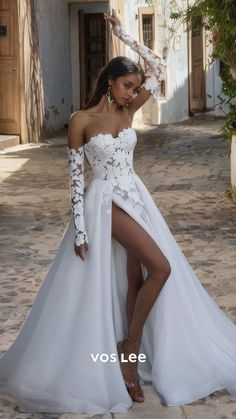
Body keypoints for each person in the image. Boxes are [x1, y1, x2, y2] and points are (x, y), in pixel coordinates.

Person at [0, 8, 236, 415]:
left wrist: (123, 34)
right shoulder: (80, 120)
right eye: (128, 85)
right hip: (105, 203)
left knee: (135, 275)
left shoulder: (128, 112)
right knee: (161, 268)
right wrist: (79, 229)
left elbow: (159, 66)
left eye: (135, 87)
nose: (133, 93)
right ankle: (127, 350)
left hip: (137, 197)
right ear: (109, 81)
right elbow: (75, 178)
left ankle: (129, 355)